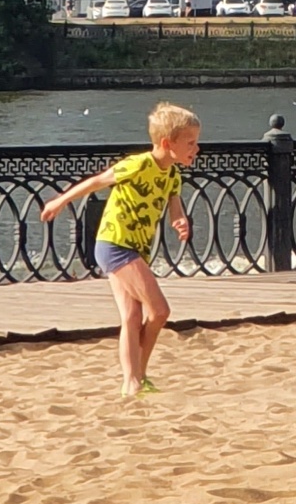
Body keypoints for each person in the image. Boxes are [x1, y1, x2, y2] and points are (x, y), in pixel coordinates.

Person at [41, 101, 200, 399]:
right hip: (115, 244)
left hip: (135, 249)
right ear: (167, 143)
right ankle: (137, 375)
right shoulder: (138, 164)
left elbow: (175, 209)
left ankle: (132, 382)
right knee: (160, 310)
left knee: (131, 316)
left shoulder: (173, 175)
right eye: (190, 143)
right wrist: (59, 202)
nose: (196, 148)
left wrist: (181, 223)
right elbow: (96, 182)